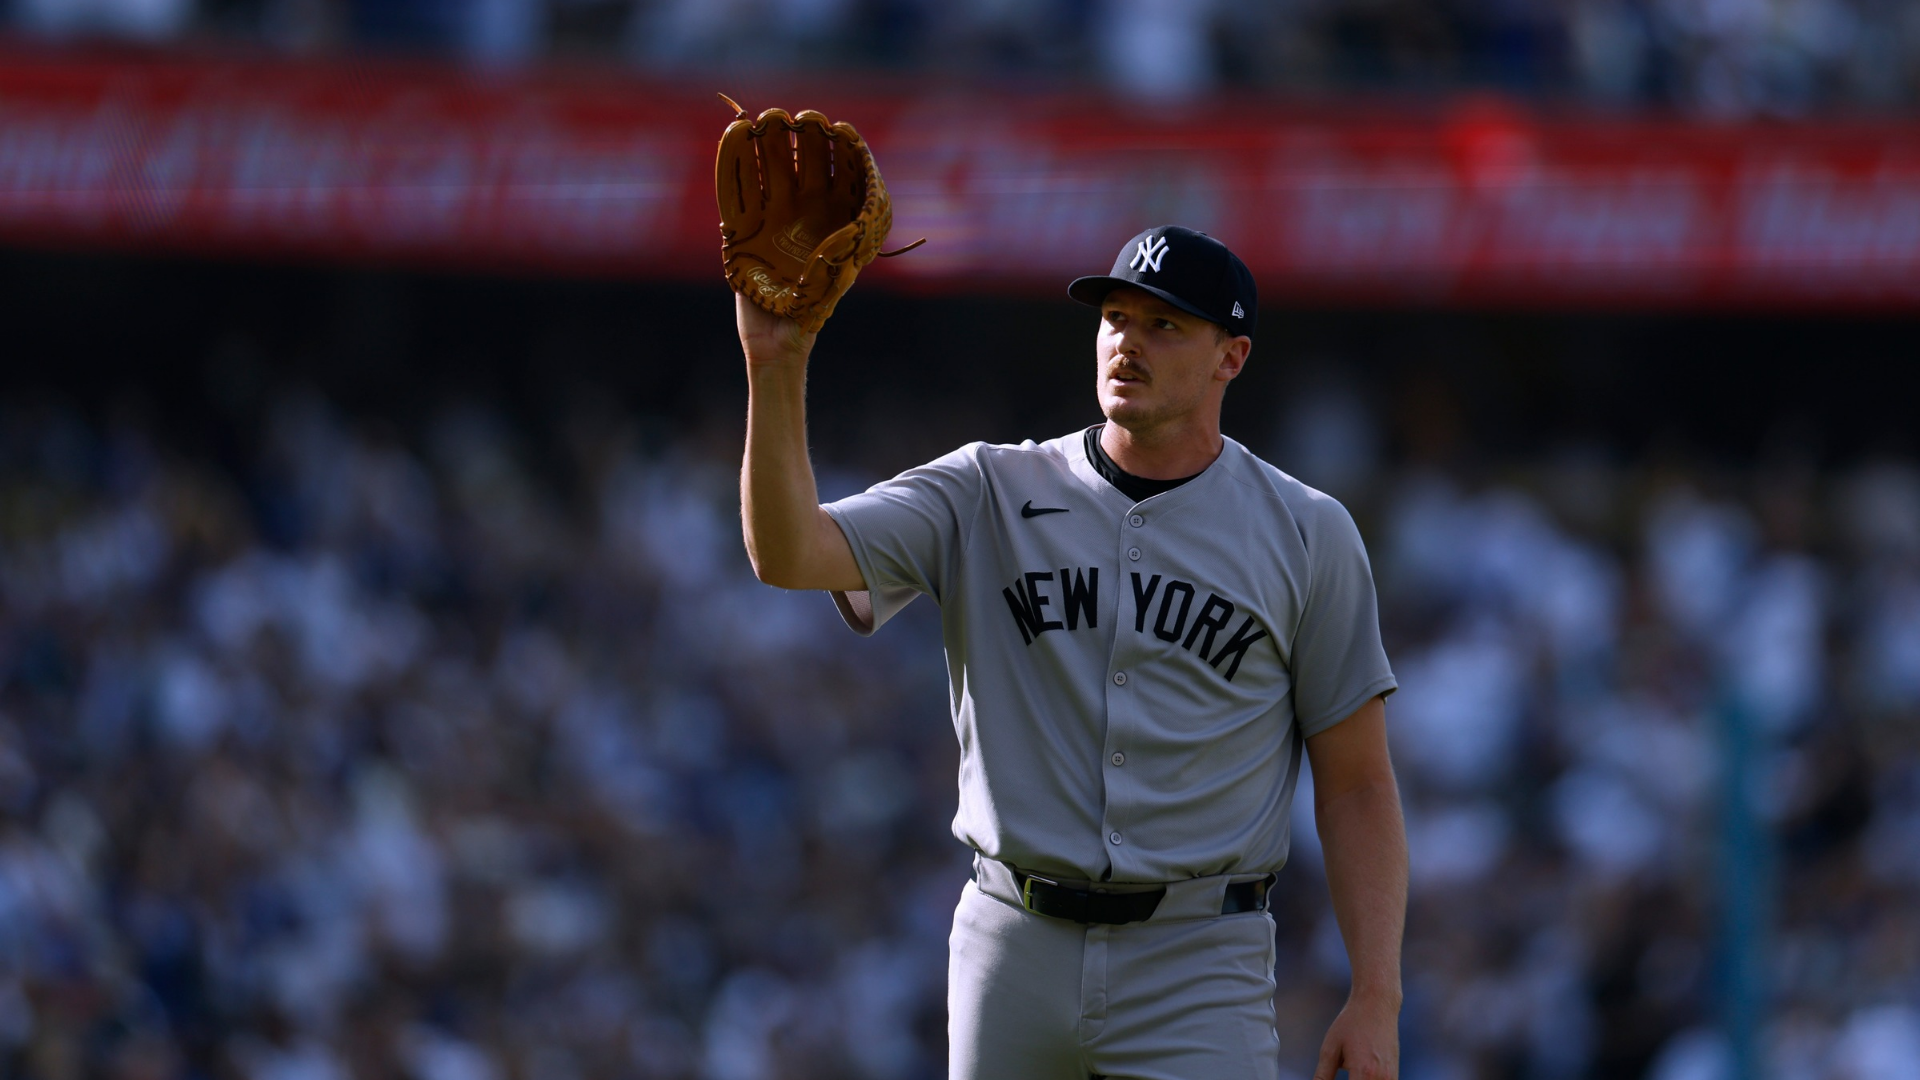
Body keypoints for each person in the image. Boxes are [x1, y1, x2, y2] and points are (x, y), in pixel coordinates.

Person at [736, 224, 1407, 1080]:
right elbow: (788, 554)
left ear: (1230, 358)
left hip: (1199, 961)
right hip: (1013, 939)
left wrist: (1376, 992)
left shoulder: (1307, 532)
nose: (1128, 342)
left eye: (1165, 326)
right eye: (1116, 317)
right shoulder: (987, 489)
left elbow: (1356, 783)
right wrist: (775, 361)